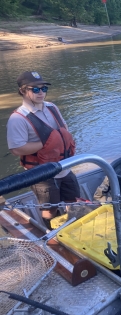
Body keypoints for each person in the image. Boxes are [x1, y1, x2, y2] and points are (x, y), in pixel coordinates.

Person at [6, 71, 80, 227]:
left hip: (63, 165)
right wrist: (48, 143)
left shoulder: (52, 107)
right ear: (22, 91)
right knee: (49, 209)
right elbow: (16, 149)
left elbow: (63, 128)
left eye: (44, 89)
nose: (41, 93)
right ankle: (53, 237)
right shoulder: (18, 118)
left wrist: (62, 141)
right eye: (35, 89)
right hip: (40, 171)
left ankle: (74, 228)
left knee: (74, 200)